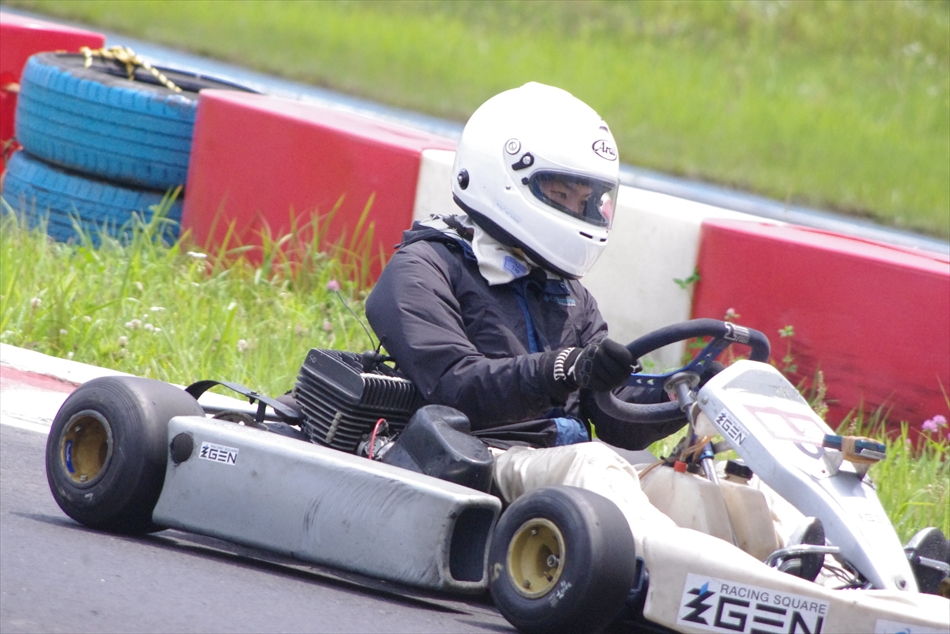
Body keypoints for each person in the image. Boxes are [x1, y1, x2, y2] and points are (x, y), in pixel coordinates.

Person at [365, 82, 691, 546]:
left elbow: (613, 417)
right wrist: (561, 369)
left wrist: (681, 397)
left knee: (699, 481)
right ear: (504, 178)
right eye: (561, 195)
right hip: (480, 458)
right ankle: (676, 566)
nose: (577, 211)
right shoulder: (425, 267)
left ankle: (797, 568)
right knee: (593, 463)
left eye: (585, 202)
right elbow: (455, 387)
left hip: (565, 470)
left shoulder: (569, 294)